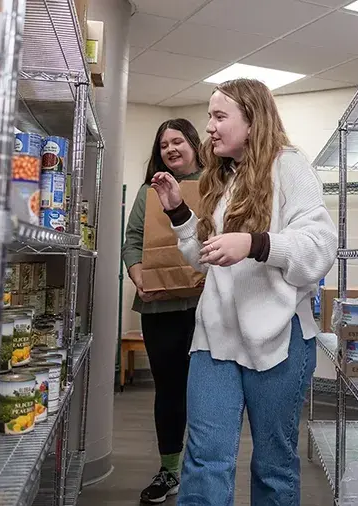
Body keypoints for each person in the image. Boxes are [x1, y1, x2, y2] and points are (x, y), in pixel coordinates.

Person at [151, 79, 338, 505]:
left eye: (220, 116)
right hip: (215, 338)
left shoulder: (289, 165)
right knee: (205, 460)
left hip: (279, 339)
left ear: (252, 121)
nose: (210, 127)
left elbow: (320, 247)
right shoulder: (222, 176)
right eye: (210, 117)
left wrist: (255, 243)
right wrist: (179, 211)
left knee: (273, 465)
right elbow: (207, 259)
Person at [121, 119, 203, 504]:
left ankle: (203, 469)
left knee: (207, 390)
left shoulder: (217, 184)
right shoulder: (147, 192)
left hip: (207, 307)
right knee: (169, 390)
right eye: (164, 144)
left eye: (178, 141)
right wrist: (140, 278)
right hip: (160, 308)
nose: (171, 149)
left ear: (193, 144)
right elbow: (133, 240)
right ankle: (169, 470)